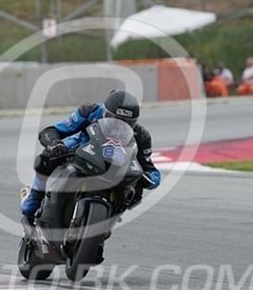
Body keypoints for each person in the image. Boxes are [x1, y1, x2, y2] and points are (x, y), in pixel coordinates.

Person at [21, 89, 162, 216]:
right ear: (105, 112)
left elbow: (152, 171)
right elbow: (53, 130)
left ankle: (110, 217)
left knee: (135, 190)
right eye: (114, 120)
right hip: (84, 149)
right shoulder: (90, 111)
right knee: (47, 158)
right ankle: (35, 196)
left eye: (126, 122)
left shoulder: (141, 136)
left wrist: (148, 179)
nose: (119, 125)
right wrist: (54, 143)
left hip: (115, 166)